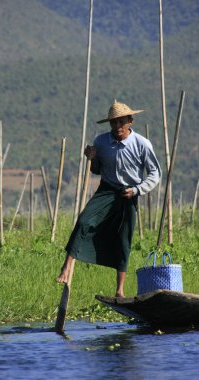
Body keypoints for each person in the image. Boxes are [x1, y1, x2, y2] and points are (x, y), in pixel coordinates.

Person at [57, 100, 161, 297]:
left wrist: (138, 190)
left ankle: (120, 290)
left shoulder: (142, 144)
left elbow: (155, 173)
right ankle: (67, 267)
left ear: (130, 121)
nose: (117, 127)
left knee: (123, 238)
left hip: (129, 193)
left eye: (121, 122)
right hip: (107, 190)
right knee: (83, 221)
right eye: (114, 123)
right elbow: (96, 170)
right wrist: (93, 158)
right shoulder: (101, 141)